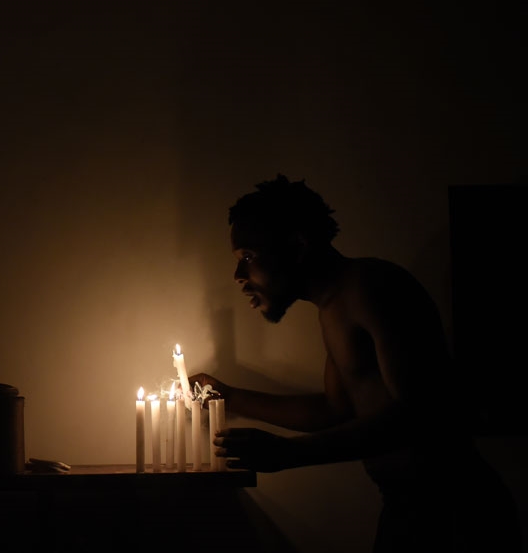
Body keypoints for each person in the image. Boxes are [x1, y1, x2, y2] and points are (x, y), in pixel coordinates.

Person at [188, 174, 522, 553]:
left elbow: (421, 413)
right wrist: (228, 396)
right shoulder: (334, 307)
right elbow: (338, 407)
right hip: (409, 508)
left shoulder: (369, 286)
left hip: (454, 515)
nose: (238, 276)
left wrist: (291, 453)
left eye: (247, 257)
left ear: (297, 245)